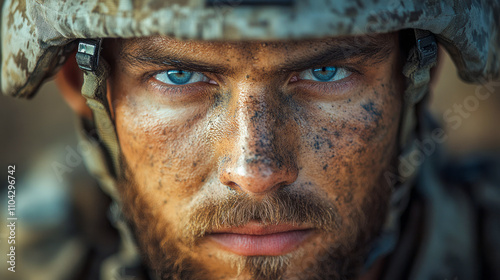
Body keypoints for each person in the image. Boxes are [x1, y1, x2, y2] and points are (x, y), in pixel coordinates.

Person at [1, 0, 499, 279]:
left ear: (413, 80)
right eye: (178, 76)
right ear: (83, 85)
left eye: (326, 73)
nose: (255, 171)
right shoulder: (19, 257)